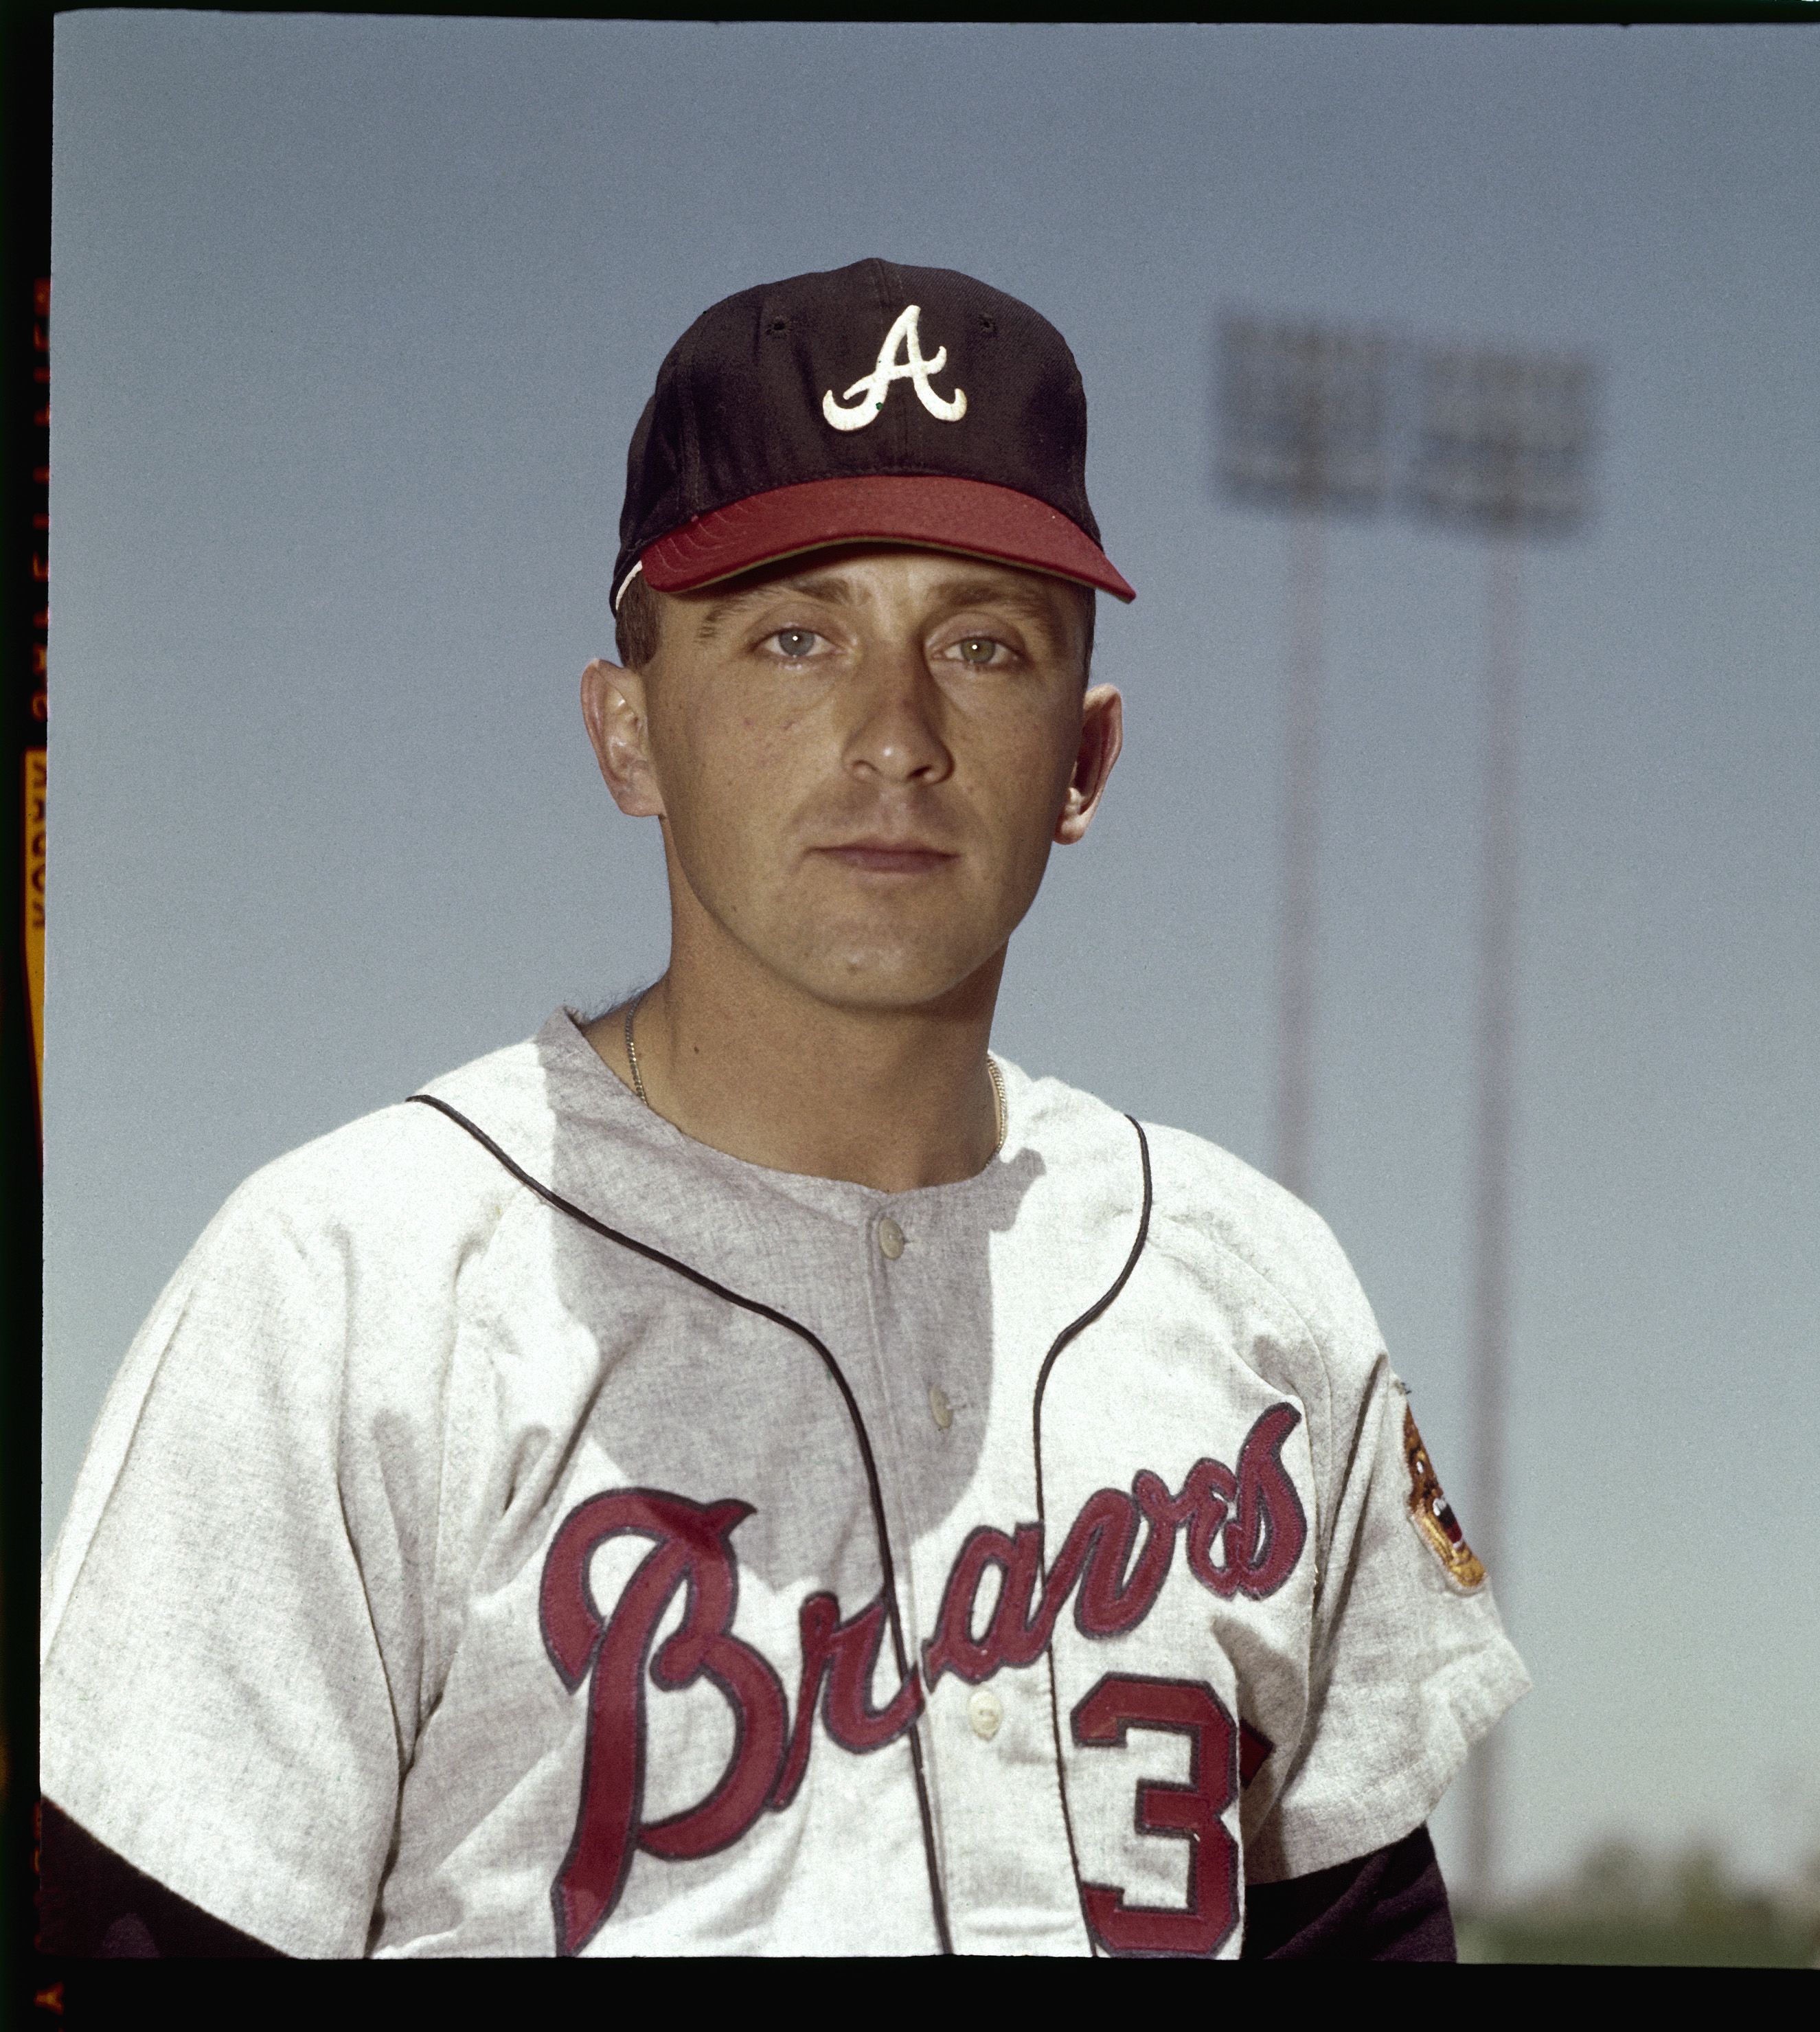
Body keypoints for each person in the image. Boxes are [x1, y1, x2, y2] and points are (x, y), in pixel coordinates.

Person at [38, 258, 1527, 1958]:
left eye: (983, 644)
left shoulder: (1261, 1293)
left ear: (1086, 761)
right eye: (795, 637)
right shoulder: (348, 1293)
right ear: (627, 735)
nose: (895, 735)